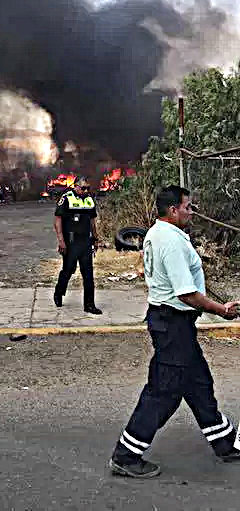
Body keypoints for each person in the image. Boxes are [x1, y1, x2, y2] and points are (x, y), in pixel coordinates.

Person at [109, 185, 240, 479]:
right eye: (188, 207)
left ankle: (225, 442)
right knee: (163, 393)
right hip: (173, 325)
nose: (191, 212)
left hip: (173, 324)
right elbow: (186, 294)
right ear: (173, 210)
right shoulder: (171, 241)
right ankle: (126, 455)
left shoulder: (158, 233)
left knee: (198, 383)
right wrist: (222, 310)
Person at [53, 176, 102, 315]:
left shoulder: (89, 199)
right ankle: (59, 292)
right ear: (75, 186)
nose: (86, 190)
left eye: (88, 188)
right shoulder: (66, 198)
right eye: (83, 188)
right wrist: (61, 241)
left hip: (86, 241)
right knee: (68, 270)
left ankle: (89, 305)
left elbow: (92, 220)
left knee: (88, 274)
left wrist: (96, 238)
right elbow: (58, 220)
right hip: (71, 241)